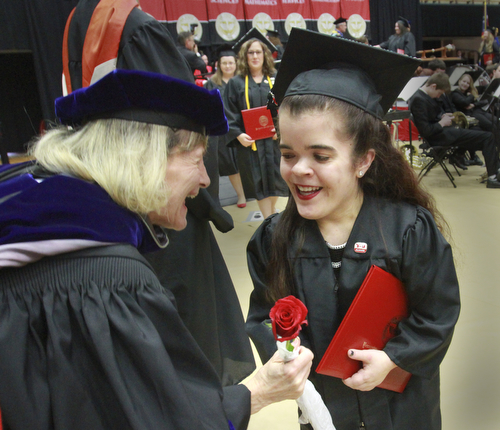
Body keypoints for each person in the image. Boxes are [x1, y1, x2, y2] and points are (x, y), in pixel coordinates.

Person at [0, 69, 314, 430]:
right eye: (196, 159)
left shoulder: (26, 200)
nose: (205, 179)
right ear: (145, 159)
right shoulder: (107, 278)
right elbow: (151, 417)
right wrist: (258, 391)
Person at [245, 28, 461, 430]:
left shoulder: (408, 230)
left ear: (363, 161)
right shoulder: (274, 239)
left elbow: (438, 313)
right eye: (288, 154)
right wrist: (289, 359)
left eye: (321, 156)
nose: (299, 170)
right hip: (324, 412)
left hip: (400, 412)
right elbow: (263, 315)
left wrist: (395, 358)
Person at [63, 0, 256, 388]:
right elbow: (176, 130)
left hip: (114, 199)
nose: (204, 176)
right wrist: (206, 205)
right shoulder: (135, 26)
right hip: (158, 213)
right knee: (185, 341)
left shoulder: (80, 21)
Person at [223, 29, 288, 219]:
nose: (254, 56)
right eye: (250, 52)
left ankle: (271, 213)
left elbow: (286, 106)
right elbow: (229, 111)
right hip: (251, 143)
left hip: (274, 141)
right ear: (244, 56)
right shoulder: (236, 83)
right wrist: (237, 134)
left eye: (258, 52)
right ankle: (268, 219)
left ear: (265, 55)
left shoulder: (275, 79)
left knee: (276, 181)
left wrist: (281, 130)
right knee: (259, 183)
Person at [409, 72, 500, 188]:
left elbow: (431, 118)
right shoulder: (418, 99)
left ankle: (493, 171)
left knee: (483, 130)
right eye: (439, 93)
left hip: (443, 132)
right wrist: (441, 123)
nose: (438, 96)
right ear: (433, 86)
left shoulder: (424, 97)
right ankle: (493, 176)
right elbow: (426, 130)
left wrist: (442, 117)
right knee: (488, 137)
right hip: (439, 137)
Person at [205, 45, 247, 208]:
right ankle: (241, 195)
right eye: (224, 63)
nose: (228, 66)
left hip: (241, 127)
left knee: (244, 162)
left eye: (231, 63)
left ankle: (251, 191)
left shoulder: (242, 81)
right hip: (223, 130)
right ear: (219, 65)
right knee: (230, 165)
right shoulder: (212, 84)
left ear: (236, 64)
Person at [450, 72, 493, 166]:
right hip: (463, 122)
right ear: (459, 81)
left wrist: (473, 104)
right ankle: (459, 154)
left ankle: (463, 154)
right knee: (487, 129)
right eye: (463, 81)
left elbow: (483, 102)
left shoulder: (466, 94)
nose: (465, 84)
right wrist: (471, 96)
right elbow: (464, 103)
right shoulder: (455, 94)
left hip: (472, 118)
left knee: (489, 126)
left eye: (467, 83)